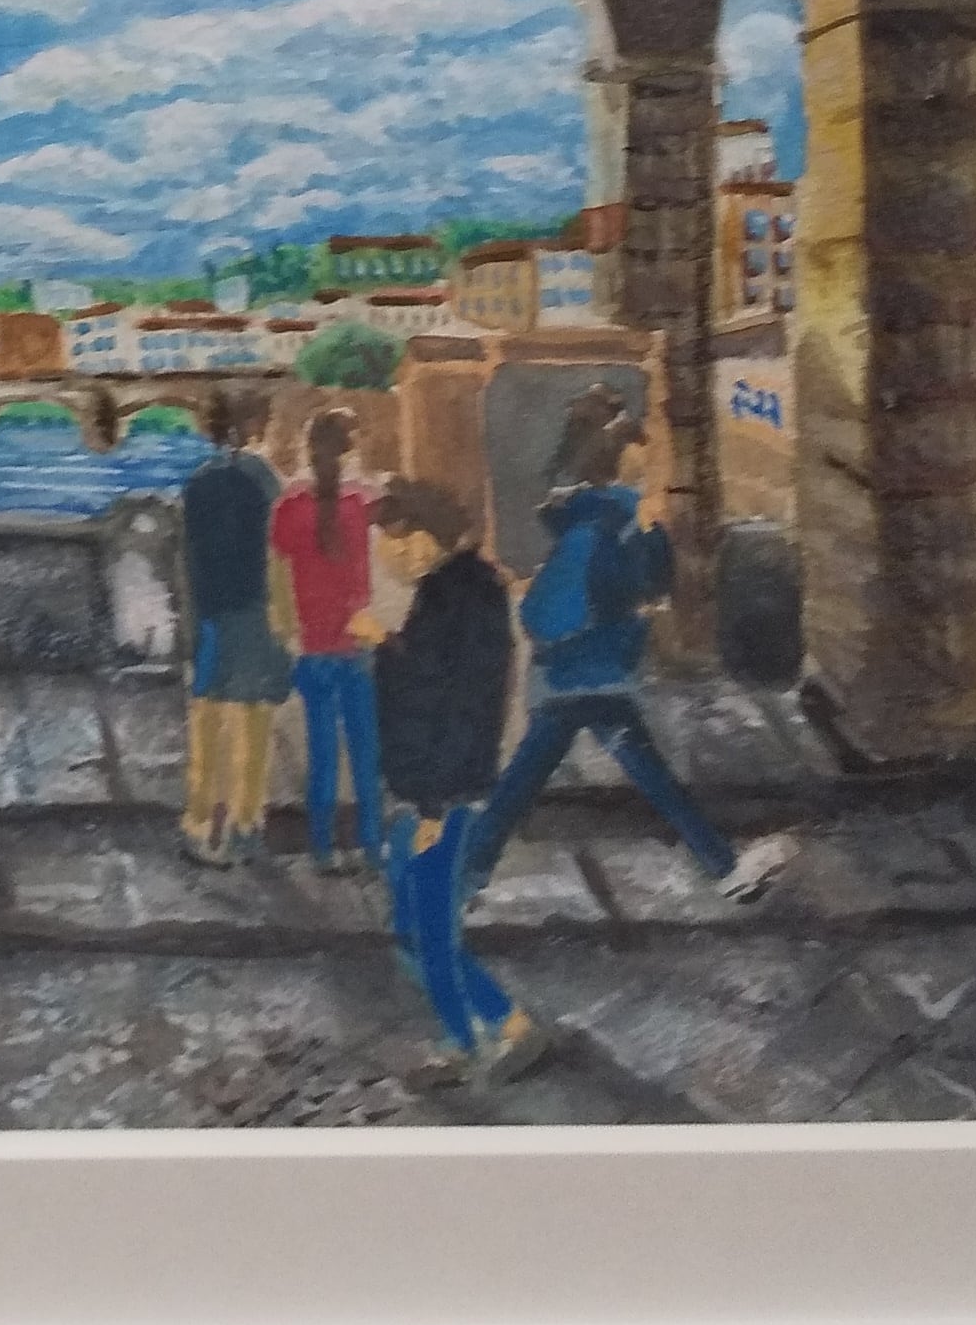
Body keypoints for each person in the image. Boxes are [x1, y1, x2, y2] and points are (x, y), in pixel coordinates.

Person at [461, 393, 796, 904]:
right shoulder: (612, 525)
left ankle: (465, 876)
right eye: (640, 462)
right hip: (596, 674)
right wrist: (650, 548)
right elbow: (641, 587)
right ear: (621, 466)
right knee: (645, 776)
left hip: (567, 675)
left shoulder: (582, 520)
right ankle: (725, 869)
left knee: (527, 782)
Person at [367, 482, 541, 1079]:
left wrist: (434, 807)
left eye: (397, 543)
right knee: (410, 929)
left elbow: (455, 704)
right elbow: (435, 680)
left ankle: (468, 1042)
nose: (391, 557)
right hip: (432, 787)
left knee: (428, 933)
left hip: (440, 793)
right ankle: (503, 1024)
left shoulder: (453, 598)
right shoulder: (454, 591)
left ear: (425, 536)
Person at [176, 392, 284, 865]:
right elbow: (276, 554)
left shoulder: (198, 481)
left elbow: (187, 556)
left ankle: (199, 823)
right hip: (253, 607)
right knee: (253, 721)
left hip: (210, 611)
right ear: (251, 424)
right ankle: (246, 824)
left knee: (208, 718)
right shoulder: (263, 478)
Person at [270, 409, 382, 871]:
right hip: (356, 645)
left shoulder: (290, 509)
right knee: (366, 755)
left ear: (307, 448)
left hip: (314, 649)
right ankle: (372, 846)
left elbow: (280, 559)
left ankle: (323, 848)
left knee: (322, 759)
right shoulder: (360, 505)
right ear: (347, 452)